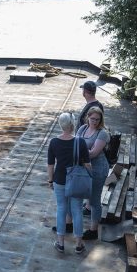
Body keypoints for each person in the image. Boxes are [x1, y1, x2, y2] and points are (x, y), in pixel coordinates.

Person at [48, 112, 91, 254]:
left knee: (61, 209)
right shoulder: (80, 142)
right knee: (77, 210)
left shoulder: (54, 142)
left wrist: (50, 180)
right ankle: (79, 244)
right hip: (76, 180)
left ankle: (60, 243)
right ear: (73, 124)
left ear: (61, 125)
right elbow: (87, 164)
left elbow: (50, 165)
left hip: (59, 179)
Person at [76, 106, 110, 240]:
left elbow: (94, 153)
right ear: (88, 118)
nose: (94, 121)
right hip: (85, 168)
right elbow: (75, 145)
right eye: (92, 119)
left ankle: (93, 230)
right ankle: (85, 212)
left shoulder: (102, 133)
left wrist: (76, 154)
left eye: (97, 119)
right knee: (86, 197)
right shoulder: (82, 129)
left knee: (95, 200)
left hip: (98, 170)